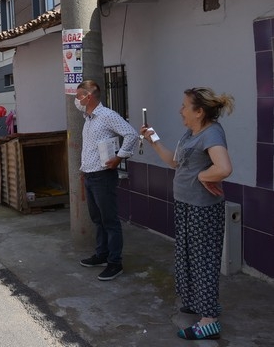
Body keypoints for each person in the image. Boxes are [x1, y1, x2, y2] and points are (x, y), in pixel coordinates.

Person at [141, 87, 234, 341]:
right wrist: (154, 139)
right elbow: (175, 162)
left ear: (199, 111)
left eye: (185, 106)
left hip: (202, 210)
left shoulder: (212, 133)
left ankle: (209, 321)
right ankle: (199, 303)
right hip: (186, 205)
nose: (180, 110)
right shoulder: (193, 132)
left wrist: (203, 176)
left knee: (203, 261)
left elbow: (224, 168)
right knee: (189, 258)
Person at [75, 80, 138, 281]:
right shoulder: (89, 118)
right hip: (90, 175)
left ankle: (115, 262)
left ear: (89, 96)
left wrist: (120, 156)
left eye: (79, 96)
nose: (77, 100)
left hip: (103, 176)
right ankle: (102, 255)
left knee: (110, 221)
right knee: (98, 219)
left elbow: (131, 134)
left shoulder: (107, 115)